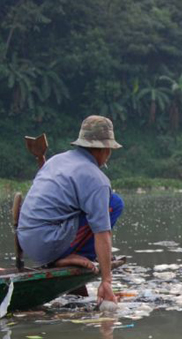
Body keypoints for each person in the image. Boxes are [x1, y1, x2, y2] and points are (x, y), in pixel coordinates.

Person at [17, 115, 123, 305]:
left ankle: (69, 257)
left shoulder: (56, 160)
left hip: (27, 240)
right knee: (114, 203)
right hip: (48, 244)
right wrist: (106, 280)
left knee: (94, 206)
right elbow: (102, 231)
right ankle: (72, 256)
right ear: (105, 150)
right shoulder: (96, 179)